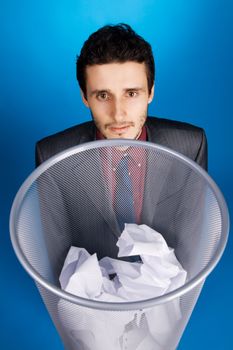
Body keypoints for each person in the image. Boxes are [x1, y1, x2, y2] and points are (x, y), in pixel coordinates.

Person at [35, 23, 207, 170]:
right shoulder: (53, 158)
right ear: (85, 96)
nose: (118, 115)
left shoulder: (190, 147)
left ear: (151, 92)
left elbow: (194, 210)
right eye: (103, 95)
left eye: (131, 94)